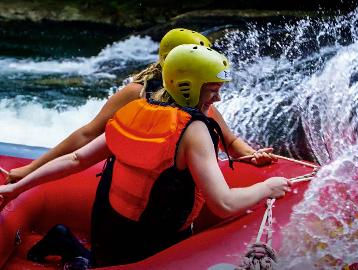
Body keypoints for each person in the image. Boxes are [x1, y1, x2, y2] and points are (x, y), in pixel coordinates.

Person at [0, 45, 291, 268]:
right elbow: (225, 202)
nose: (218, 98)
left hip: (113, 227)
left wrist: (16, 188)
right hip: (154, 241)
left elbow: (76, 160)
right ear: (188, 86)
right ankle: (72, 252)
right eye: (213, 90)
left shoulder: (137, 110)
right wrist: (268, 187)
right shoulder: (194, 130)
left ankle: (67, 244)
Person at [5, 28, 276, 184]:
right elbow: (87, 135)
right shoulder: (136, 93)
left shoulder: (199, 102)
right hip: (129, 185)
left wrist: (252, 155)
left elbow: (230, 141)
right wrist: (30, 170)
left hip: (169, 192)